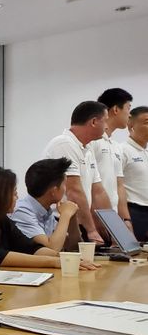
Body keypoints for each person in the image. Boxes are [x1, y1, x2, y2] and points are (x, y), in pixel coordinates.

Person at [0, 167, 97, 270]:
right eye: (14, 193)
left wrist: (65, 258)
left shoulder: (3, 220)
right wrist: (54, 261)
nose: (17, 198)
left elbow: (31, 247)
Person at [42, 101, 112, 244]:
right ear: (93, 122)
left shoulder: (88, 149)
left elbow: (98, 192)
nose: (107, 127)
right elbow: (74, 191)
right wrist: (91, 230)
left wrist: (114, 230)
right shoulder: (64, 144)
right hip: (60, 222)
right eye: (105, 121)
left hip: (80, 222)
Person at [10, 158, 80, 252]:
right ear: (54, 191)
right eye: (64, 184)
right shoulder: (21, 211)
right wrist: (66, 215)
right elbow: (52, 250)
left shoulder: (46, 210)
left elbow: (73, 248)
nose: (65, 189)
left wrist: (72, 216)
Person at [91, 88, 133, 233]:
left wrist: (126, 220)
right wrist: (95, 223)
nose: (130, 114)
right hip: (95, 220)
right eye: (128, 108)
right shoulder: (93, 142)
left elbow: (119, 186)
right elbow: (89, 186)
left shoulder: (116, 146)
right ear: (115, 109)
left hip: (112, 219)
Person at [122, 106, 148, 242]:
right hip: (134, 211)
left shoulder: (145, 152)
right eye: (147, 122)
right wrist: (126, 218)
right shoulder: (122, 150)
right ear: (131, 125)